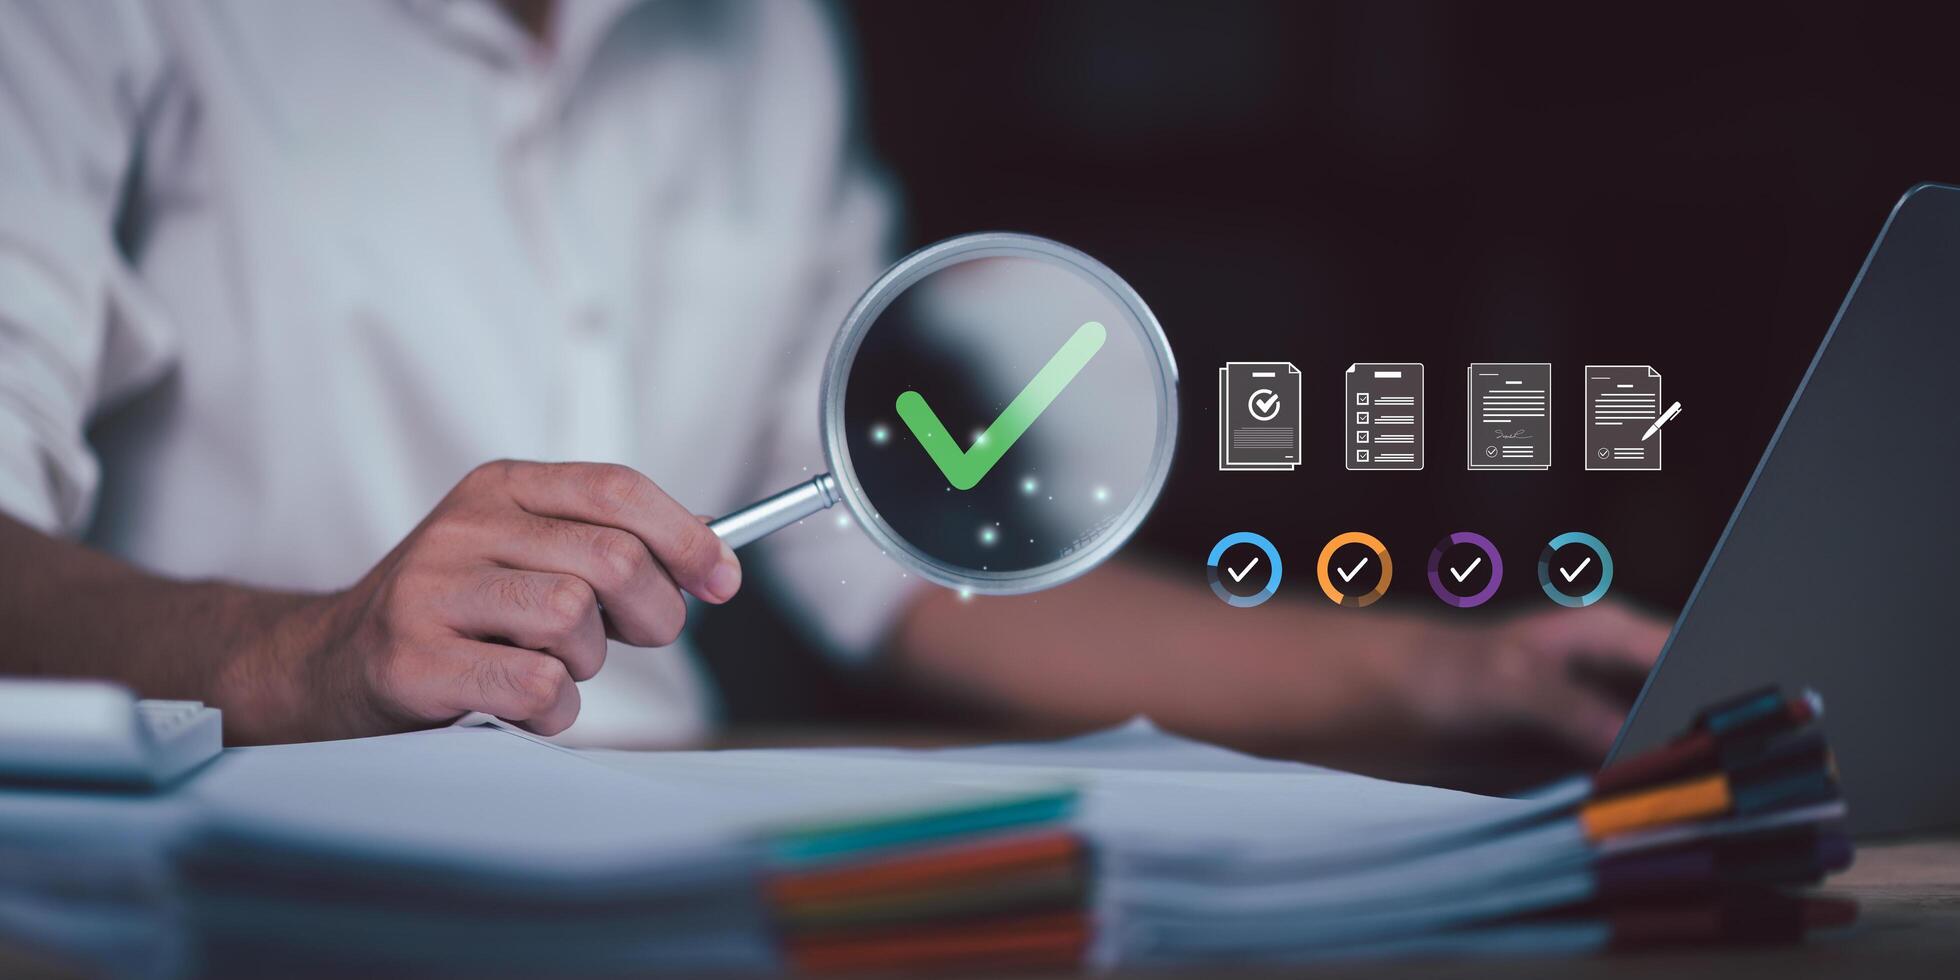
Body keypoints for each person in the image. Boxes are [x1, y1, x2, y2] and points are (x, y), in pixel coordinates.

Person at [0, 0, 1667, 772]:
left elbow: (914, 566)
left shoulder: (769, 42)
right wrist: (300, 654)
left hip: (689, 874)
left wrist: (1455, 677)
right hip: (241, 895)